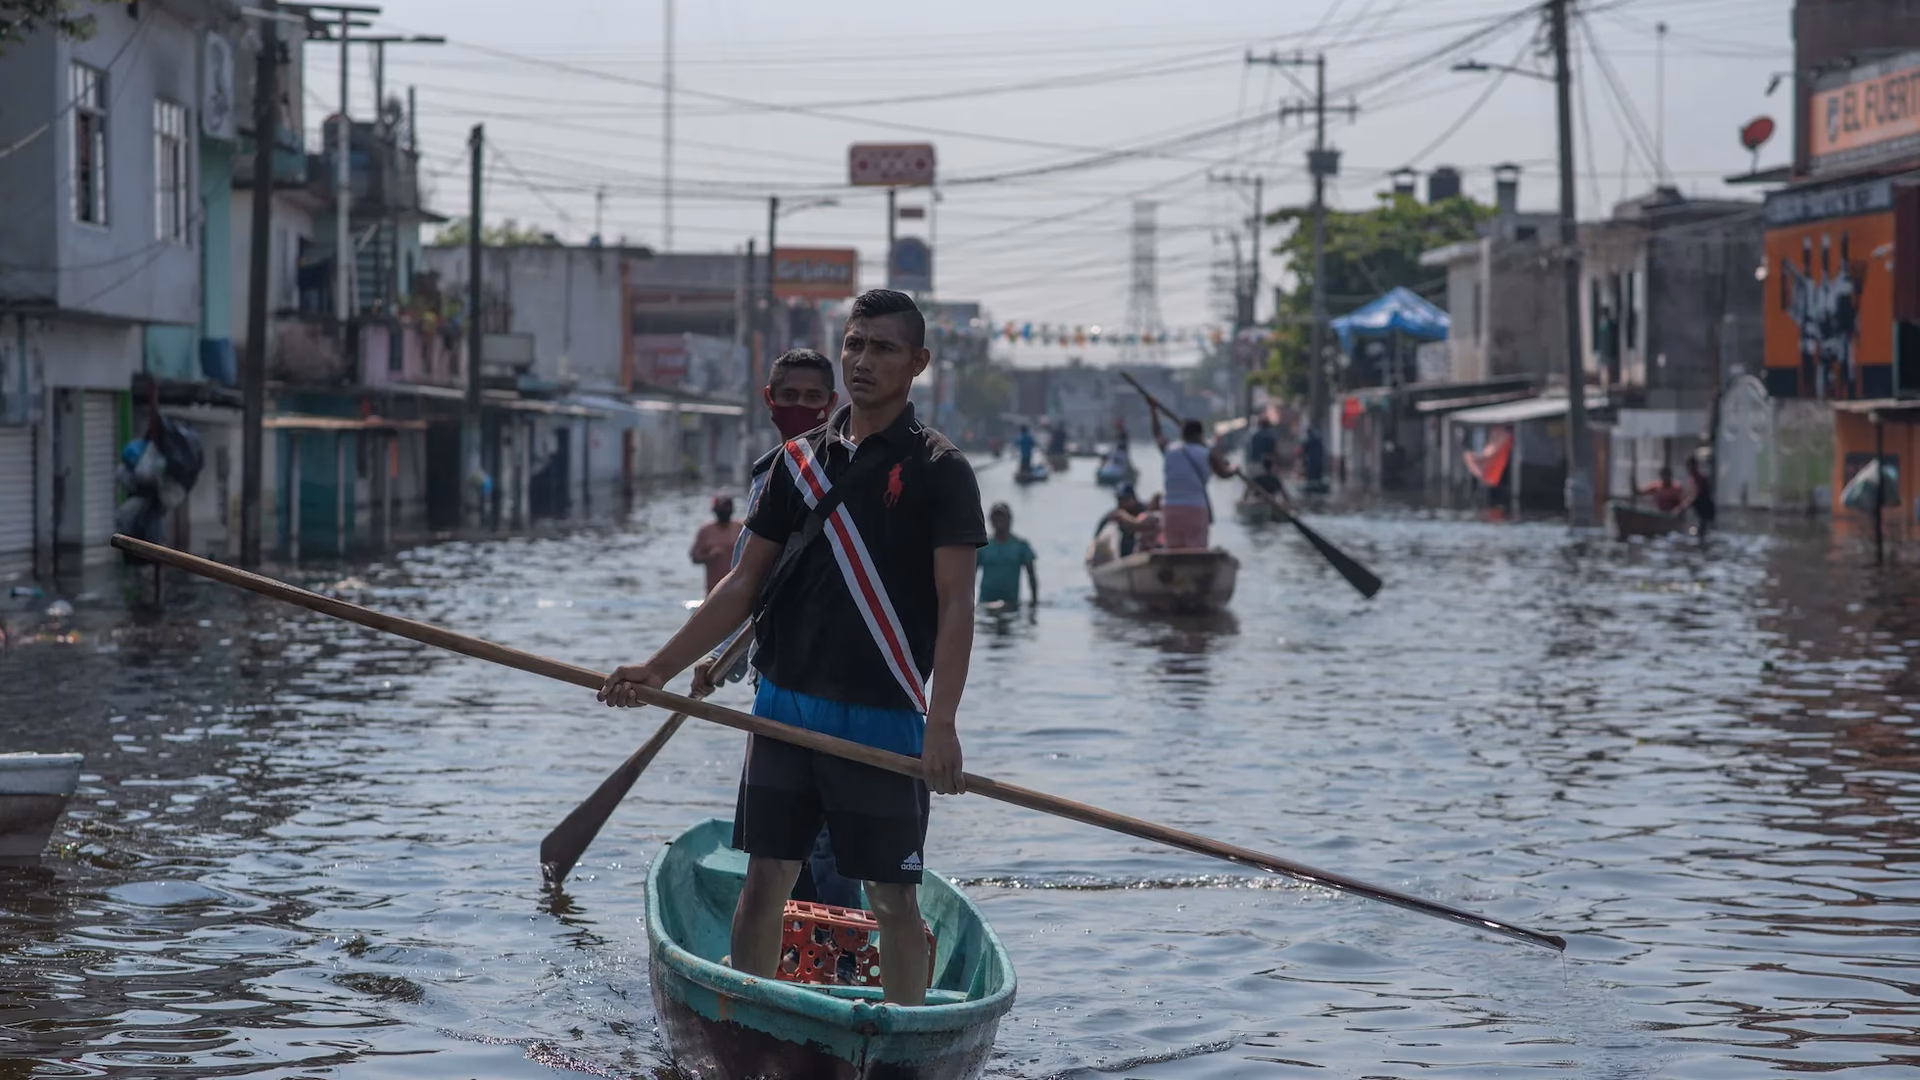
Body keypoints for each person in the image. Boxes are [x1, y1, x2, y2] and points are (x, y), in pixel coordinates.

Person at [601, 289, 984, 1007]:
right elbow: (742, 585)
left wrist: (943, 724)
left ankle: (900, 1035)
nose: (863, 360)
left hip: (884, 715)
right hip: (783, 708)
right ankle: (752, 1018)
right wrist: (658, 668)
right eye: (855, 344)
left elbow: (956, 605)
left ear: (919, 362)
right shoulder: (796, 463)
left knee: (892, 897)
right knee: (764, 883)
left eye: (884, 348)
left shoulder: (941, 469)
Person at [689, 346, 861, 909]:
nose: (801, 408)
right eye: (789, 396)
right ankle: (802, 942)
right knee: (786, 847)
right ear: (769, 401)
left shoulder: (857, 468)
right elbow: (749, 582)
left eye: (813, 398)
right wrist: (721, 660)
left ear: (832, 403)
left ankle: (838, 941)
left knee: (832, 850)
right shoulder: (774, 473)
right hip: (781, 682)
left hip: (848, 685)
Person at [1151, 412, 1233, 549]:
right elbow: (1224, 473)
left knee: (1173, 551)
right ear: (1200, 435)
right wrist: (1234, 469)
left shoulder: (1170, 450)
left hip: (1170, 509)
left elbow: (1157, 434)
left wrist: (1153, 411)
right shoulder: (1207, 454)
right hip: (1195, 508)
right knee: (1197, 551)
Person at [976, 502, 1038, 610]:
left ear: (1009, 519)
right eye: (995, 517)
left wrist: (1034, 602)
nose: (998, 520)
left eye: (1001, 516)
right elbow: (971, 575)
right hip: (986, 604)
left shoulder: (1021, 546)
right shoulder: (983, 546)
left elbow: (1031, 576)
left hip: (1011, 605)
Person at [690, 496, 744, 594]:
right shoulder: (706, 530)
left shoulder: (740, 527)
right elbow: (694, 557)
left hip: (739, 586)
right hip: (715, 588)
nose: (724, 512)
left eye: (727, 509)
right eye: (722, 509)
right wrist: (709, 556)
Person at [1092, 482, 1152, 560]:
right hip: (1124, 554)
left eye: (1125, 499)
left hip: (1144, 551)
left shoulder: (1145, 511)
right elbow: (1097, 536)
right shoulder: (1115, 514)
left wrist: (1126, 518)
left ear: (1133, 498)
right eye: (1119, 499)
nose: (1121, 503)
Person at [1682, 453, 1716, 533]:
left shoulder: (1700, 478)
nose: (1689, 469)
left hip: (1705, 509)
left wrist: (1682, 508)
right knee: (1696, 530)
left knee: (1702, 531)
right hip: (1699, 510)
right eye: (1688, 466)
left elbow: (1695, 495)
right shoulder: (1692, 478)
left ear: (1695, 466)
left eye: (1691, 466)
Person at [1301, 425, 1327, 495]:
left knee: (1312, 476)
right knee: (1316, 476)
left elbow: (1305, 449)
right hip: (1317, 462)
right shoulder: (1317, 440)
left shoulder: (1311, 440)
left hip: (1313, 462)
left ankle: (1314, 488)